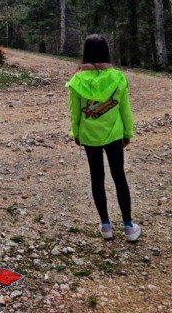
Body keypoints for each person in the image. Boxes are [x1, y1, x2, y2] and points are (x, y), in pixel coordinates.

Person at [67, 34, 141, 242]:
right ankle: (128, 226)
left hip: (90, 136)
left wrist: (77, 133)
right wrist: (128, 132)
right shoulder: (118, 78)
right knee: (119, 177)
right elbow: (125, 109)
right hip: (115, 134)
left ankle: (106, 225)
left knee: (96, 178)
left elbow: (75, 112)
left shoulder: (77, 80)